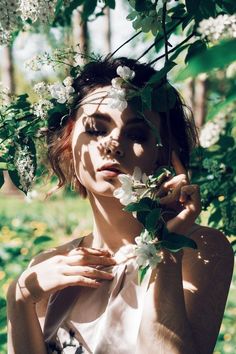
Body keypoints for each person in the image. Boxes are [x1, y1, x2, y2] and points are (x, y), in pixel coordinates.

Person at [7, 57, 234, 354]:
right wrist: (20, 297)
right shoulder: (46, 267)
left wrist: (165, 246)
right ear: (69, 144)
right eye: (96, 129)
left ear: (163, 156)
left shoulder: (200, 250)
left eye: (137, 134)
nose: (113, 144)